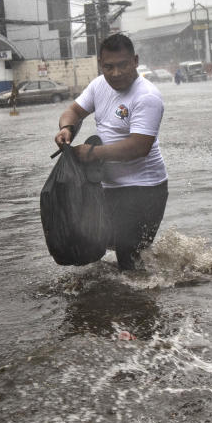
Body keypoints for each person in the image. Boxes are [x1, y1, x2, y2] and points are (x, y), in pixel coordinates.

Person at [53, 33, 168, 271]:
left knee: (129, 259)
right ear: (100, 65)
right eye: (109, 67)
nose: (116, 73)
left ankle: (141, 302)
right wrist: (66, 129)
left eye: (123, 65)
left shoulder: (146, 96)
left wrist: (93, 153)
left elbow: (139, 146)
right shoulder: (99, 86)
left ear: (135, 61)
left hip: (144, 189)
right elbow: (73, 112)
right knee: (94, 247)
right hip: (106, 188)